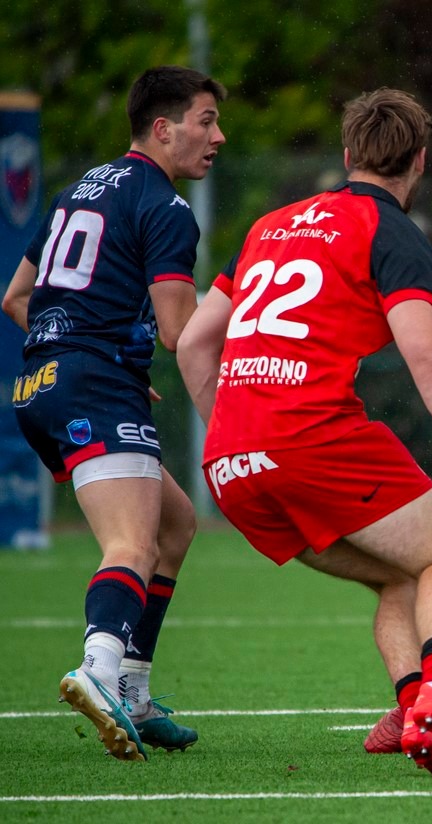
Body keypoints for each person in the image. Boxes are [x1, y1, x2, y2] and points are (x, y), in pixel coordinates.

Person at [176, 88, 432, 777]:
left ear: (348, 156)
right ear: (420, 162)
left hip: (230, 461)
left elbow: (196, 342)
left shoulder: (269, 225)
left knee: (405, 575)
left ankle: (416, 717)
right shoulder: (390, 230)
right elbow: (426, 352)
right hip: (310, 436)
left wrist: (232, 430)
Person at [3, 66, 226, 761]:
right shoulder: (165, 206)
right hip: (91, 384)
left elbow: (16, 296)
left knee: (176, 524)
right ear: (163, 129)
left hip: (40, 383)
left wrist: (83, 352)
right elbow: (179, 331)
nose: (218, 136)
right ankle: (99, 671)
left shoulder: (82, 188)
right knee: (130, 544)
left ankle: (133, 688)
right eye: (206, 120)